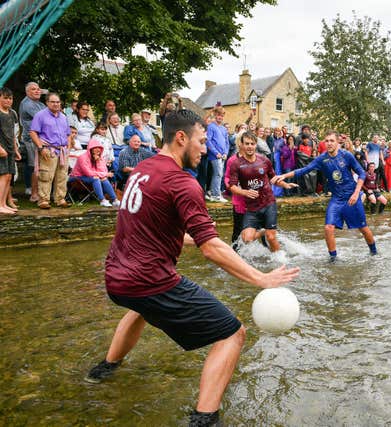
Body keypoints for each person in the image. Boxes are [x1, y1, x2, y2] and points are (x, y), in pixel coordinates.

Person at [84, 109, 300, 426]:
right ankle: (204, 417)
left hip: (116, 279)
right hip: (149, 281)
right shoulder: (183, 183)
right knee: (232, 333)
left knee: (142, 307)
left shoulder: (143, 170)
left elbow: (138, 219)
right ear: (181, 138)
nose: (206, 149)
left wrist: (178, 236)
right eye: (201, 141)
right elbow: (211, 248)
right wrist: (261, 278)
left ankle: (105, 369)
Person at [272, 130, 377, 261]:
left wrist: (356, 193)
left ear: (338, 142)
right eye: (326, 141)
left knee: (363, 228)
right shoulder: (322, 159)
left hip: (351, 197)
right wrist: (284, 175)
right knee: (328, 228)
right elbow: (304, 170)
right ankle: (333, 259)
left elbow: (361, 173)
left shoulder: (347, 155)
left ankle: (374, 253)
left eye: (332, 141)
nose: (329, 143)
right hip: (336, 199)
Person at [228, 132, 297, 252]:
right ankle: (263, 230)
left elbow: (273, 178)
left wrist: (285, 184)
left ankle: (280, 259)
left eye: (252, 144)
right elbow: (232, 186)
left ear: (256, 145)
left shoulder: (264, 161)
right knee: (247, 239)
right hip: (251, 207)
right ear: (242, 145)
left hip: (268, 203)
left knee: (271, 237)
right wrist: (244, 192)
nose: (250, 146)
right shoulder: (236, 164)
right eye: (247, 144)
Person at [29, 92, 71, 209]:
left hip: (62, 150)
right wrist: (40, 148)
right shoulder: (40, 115)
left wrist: (68, 148)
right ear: (47, 103)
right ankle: (43, 200)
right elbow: (33, 132)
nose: (56, 104)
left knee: (62, 176)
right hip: (48, 150)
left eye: (57, 102)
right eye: (52, 102)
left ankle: (60, 198)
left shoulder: (63, 117)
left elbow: (68, 134)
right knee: (46, 176)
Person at [69, 138, 119, 207]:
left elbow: (104, 171)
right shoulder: (83, 158)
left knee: (103, 179)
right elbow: (88, 173)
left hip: (90, 177)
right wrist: (104, 174)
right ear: (90, 148)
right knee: (96, 178)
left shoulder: (99, 158)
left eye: (99, 148)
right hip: (76, 178)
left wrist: (98, 161)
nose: (98, 149)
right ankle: (102, 200)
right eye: (95, 147)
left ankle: (115, 200)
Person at [18, 82, 46, 202]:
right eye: (33, 89)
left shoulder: (39, 103)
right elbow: (44, 118)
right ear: (27, 92)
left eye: (38, 89)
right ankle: (33, 193)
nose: (37, 91)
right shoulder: (27, 104)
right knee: (35, 166)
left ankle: (41, 191)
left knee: (41, 166)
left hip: (41, 138)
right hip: (31, 139)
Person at [0, 87, 21, 215]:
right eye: (5, 98)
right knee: (2, 175)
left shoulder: (12, 113)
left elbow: (13, 134)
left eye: (10, 98)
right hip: (1, 148)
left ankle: (3, 203)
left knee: (9, 176)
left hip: (10, 148)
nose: (8, 100)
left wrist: (15, 149)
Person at [205, 106, 228, 203]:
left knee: (219, 175)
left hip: (223, 155)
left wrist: (226, 153)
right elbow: (208, 141)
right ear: (215, 115)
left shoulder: (224, 128)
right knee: (218, 174)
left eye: (222, 116)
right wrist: (216, 152)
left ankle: (211, 192)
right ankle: (216, 195)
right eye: (218, 115)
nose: (220, 117)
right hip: (215, 155)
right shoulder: (211, 126)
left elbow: (227, 142)